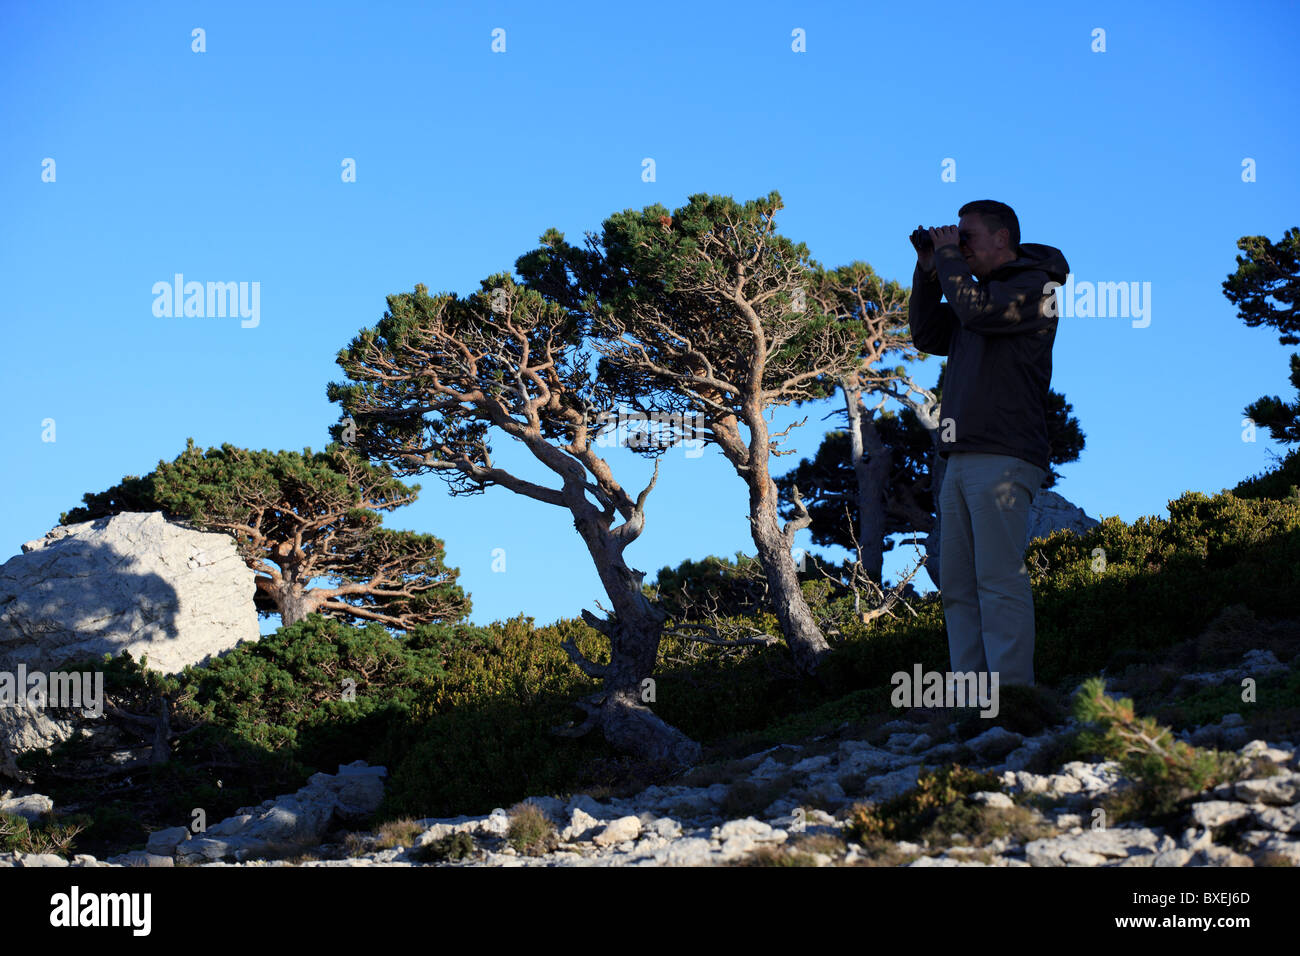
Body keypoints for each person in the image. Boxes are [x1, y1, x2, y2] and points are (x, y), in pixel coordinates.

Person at [908, 200, 1069, 688]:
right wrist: (928, 270)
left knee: (998, 579)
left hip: (1003, 454)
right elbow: (925, 332)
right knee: (957, 586)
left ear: (1003, 238)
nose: (960, 244)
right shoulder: (977, 295)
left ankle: (1012, 693)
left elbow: (976, 313)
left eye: (967, 236)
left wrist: (950, 262)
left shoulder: (1036, 288)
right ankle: (974, 700)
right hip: (961, 457)